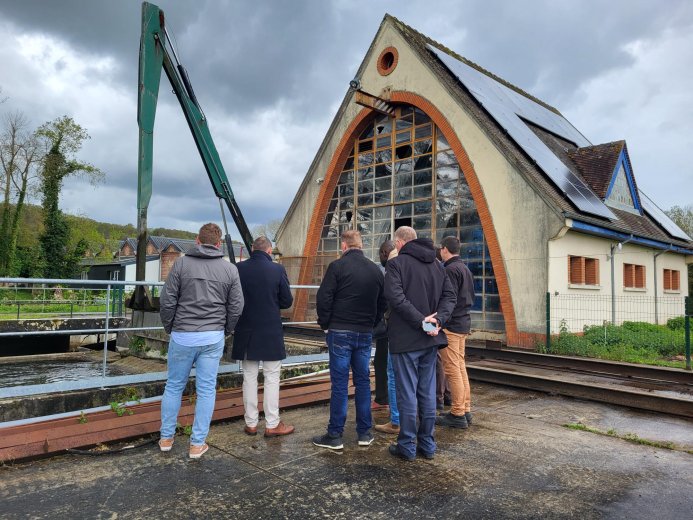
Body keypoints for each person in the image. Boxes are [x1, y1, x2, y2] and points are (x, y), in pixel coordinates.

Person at [159, 223, 244, 459]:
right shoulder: (229, 270)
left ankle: (166, 438)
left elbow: (167, 301)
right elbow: (237, 306)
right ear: (218, 244)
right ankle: (197, 444)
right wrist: (226, 329)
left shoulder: (181, 264)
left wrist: (170, 327)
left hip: (183, 335)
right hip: (212, 336)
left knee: (174, 385)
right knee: (206, 389)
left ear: (197, 240)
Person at [385, 226, 455, 461]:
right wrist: (437, 321)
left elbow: (395, 298)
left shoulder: (396, 265)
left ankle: (407, 445)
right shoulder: (437, 265)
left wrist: (423, 322)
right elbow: (449, 297)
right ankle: (428, 444)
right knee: (426, 393)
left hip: (406, 341)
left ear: (399, 243)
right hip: (430, 340)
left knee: (407, 394)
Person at [312, 230, 386, 450]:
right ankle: (365, 433)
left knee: (340, 384)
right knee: (363, 382)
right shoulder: (375, 270)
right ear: (361, 246)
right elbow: (383, 303)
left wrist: (326, 324)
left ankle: (335, 435)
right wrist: (371, 323)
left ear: (344, 246)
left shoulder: (337, 267)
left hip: (340, 331)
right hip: (364, 333)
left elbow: (323, 298)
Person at [232, 236, 295, 437]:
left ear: (252, 249)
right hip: (270, 330)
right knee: (271, 377)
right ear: (269, 251)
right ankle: (272, 423)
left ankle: (250, 423)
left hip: (246, 329)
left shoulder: (238, 269)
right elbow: (286, 301)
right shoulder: (277, 269)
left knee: (249, 377)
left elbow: (232, 299)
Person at [436, 236, 476, 429]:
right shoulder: (465, 269)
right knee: (460, 367)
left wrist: (439, 321)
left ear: (444, 249)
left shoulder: (450, 270)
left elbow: (448, 300)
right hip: (464, 323)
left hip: (451, 326)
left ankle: (458, 413)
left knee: (452, 370)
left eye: (440, 249)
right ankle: (465, 409)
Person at [375, 241, 401, 435]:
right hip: (422, 329)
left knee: (392, 373)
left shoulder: (394, 266)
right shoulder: (432, 266)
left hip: (395, 328)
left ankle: (396, 421)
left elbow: (391, 299)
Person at [371, 240, 395, 412]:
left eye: (381, 253)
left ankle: (382, 399)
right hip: (422, 327)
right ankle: (440, 398)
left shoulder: (388, 271)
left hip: (388, 326)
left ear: (385, 253)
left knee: (383, 363)